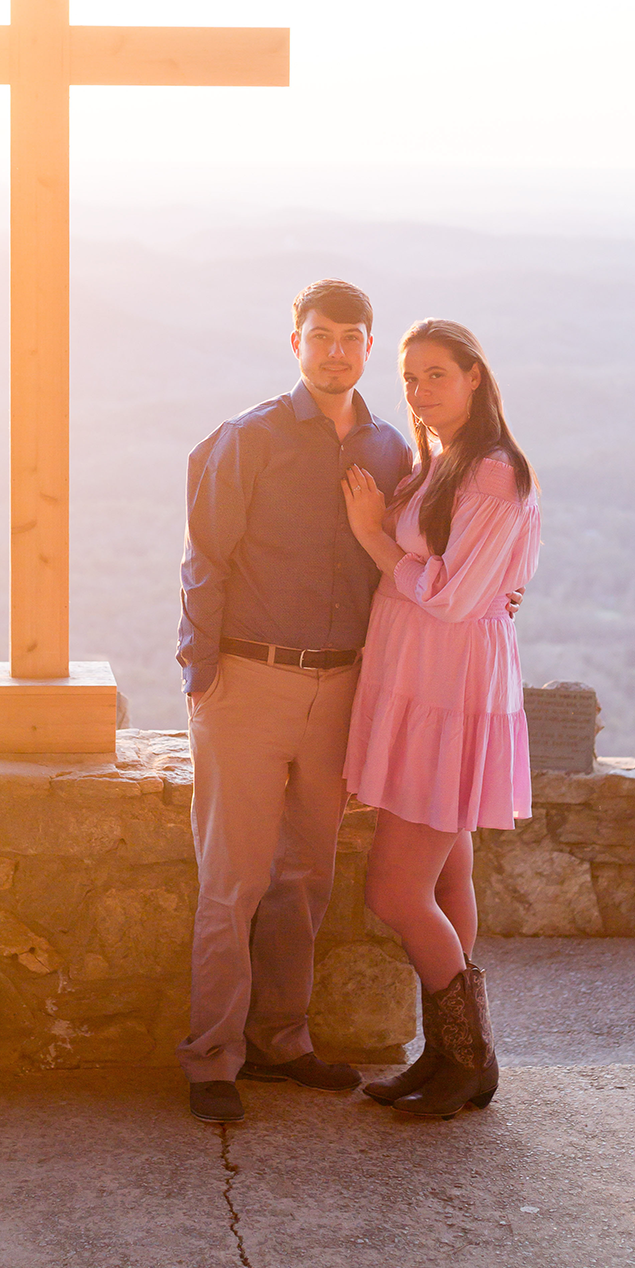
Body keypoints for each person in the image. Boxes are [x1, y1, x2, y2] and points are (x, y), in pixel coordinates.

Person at [175, 279, 414, 1124]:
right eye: (321, 335)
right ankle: (213, 1058)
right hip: (249, 679)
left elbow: (417, 554)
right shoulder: (251, 438)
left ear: (368, 347)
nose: (336, 350)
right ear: (296, 344)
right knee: (232, 875)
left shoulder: (390, 450)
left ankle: (283, 1042)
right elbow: (205, 556)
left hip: (343, 684)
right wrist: (202, 672)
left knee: (306, 875)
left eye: (351, 337)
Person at [341, 319, 539, 1120]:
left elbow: (455, 596)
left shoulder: (493, 473)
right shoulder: (444, 464)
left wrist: (370, 538)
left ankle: (469, 1057)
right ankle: (451, 1056)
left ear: (475, 379)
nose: (421, 392)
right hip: (427, 680)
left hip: (446, 691)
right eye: (410, 377)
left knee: (393, 891)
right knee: (448, 873)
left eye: (437, 376)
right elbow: (474, 581)